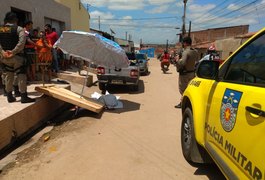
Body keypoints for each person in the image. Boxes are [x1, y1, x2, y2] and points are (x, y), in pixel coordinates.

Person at [0, 12, 35, 103]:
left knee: (8, 75)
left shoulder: (2, 29)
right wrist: (13, 52)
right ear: (15, 20)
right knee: (21, 75)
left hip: (4, 57)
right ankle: (23, 97)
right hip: (17, 57)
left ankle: (9, 96)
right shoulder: (19, 29)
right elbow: (22, 42)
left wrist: (3, 52)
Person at [175, 36, 199, 108]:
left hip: (184, 74)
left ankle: (183, 103)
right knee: (189, 88)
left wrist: (177, 60)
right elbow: (196, 61)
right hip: (192, 73)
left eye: (183, 43)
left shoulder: (185, 52)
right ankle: (184, 102)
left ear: (185, 43)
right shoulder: (195, 51)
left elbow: (182, 63)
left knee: (182, 89)